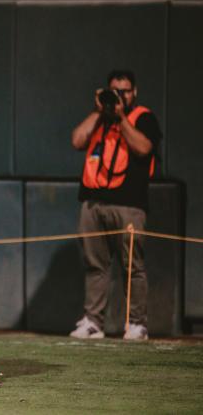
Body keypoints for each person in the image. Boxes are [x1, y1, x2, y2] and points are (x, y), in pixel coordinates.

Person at [69, 70, 161, 340]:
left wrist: (120, 116)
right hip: (93, 203)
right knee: (95, 265)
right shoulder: (99, 119)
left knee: (133, 265)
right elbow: (77, 140)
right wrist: (100, 111)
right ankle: (93, 321)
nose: (119, 97)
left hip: (129, 205)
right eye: (114, 91)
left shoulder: (143, 117)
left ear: (135, 93)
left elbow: (144, 148)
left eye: (125, 91)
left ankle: (136, 324)